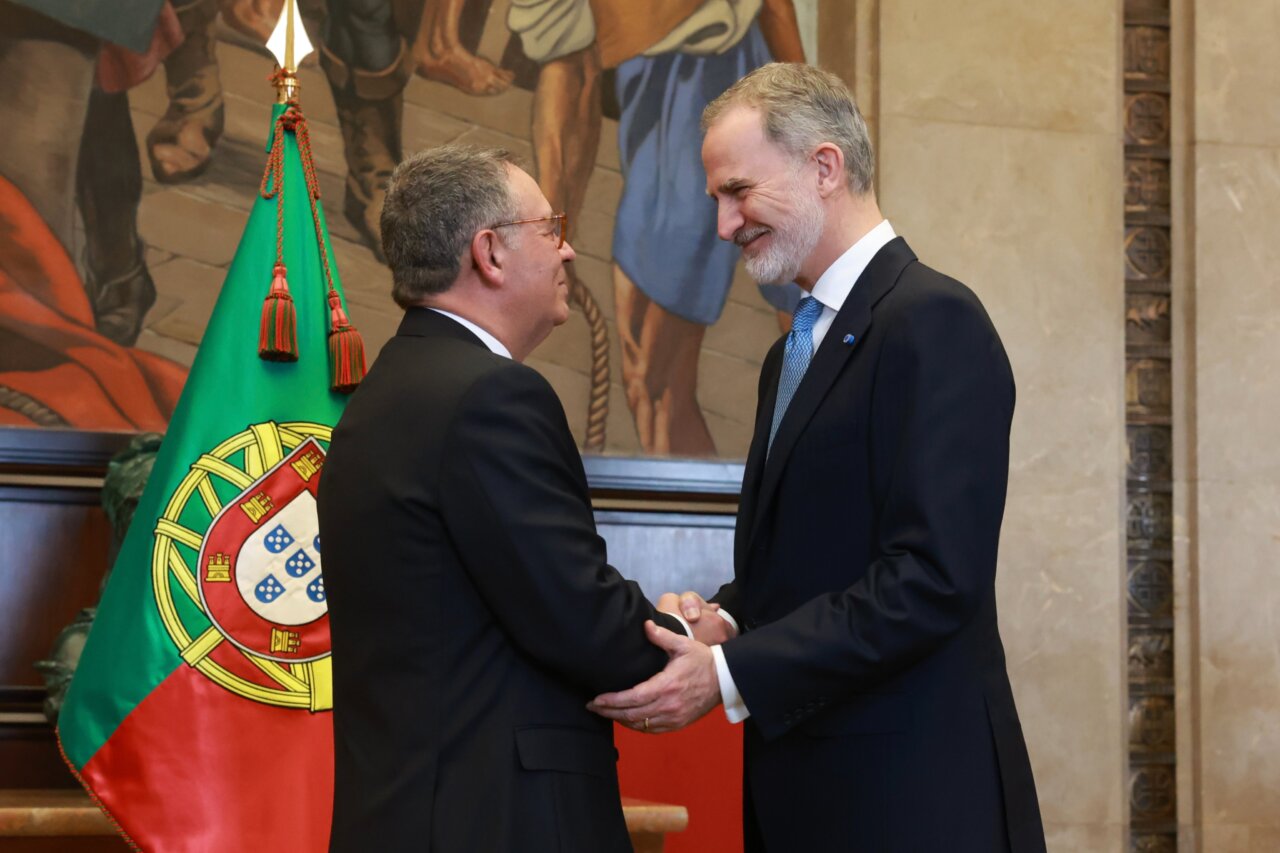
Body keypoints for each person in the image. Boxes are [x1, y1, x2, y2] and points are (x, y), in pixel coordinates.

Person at [588, 64, 1047, 852]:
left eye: (739, 192)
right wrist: (727, 616)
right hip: (813, 797)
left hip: (909, 803)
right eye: (716, 202)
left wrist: (729, 676)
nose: (725, 226)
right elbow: (811, 558)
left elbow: (933, 579)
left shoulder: (934, 321)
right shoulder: (791, 350)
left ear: (824, 167)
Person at [317, 144, 727, 851]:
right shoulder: (489, 396)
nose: (568, 252)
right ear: (490, 253)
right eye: (552, 228)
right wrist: (699, 636)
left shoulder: (385, 392)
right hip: (499, 821)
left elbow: (510, 595)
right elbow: (582, 622)